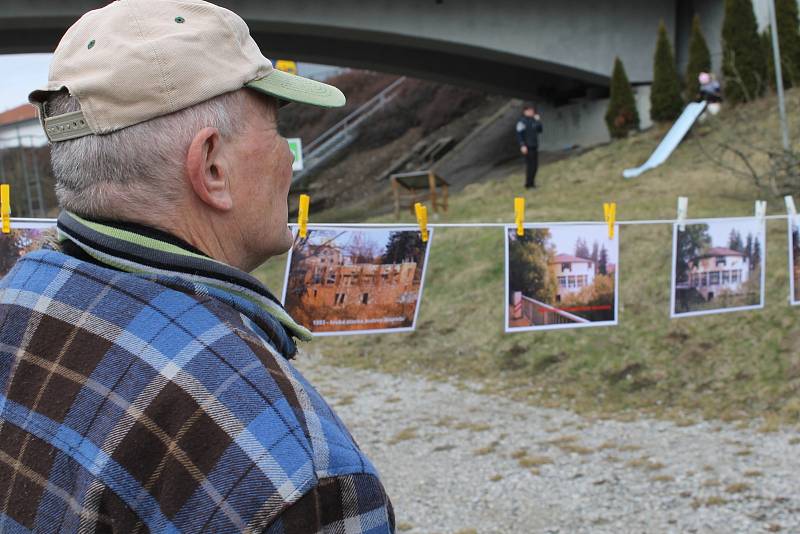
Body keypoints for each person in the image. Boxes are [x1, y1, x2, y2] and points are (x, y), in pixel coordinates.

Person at [0, 1, 394, 532]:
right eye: (275, 127)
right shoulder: (293, 467)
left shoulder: (17, 295)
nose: (288, 159)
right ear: (211, 166)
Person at [516, 103, 544, 188]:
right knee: (530, 165)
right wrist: (522, 145)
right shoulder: (522, 121)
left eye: (533, 110)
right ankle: (529, 184)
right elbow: (519, 134)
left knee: (535, 165)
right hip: (527, 146)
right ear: (525, 111)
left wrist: (538, 121)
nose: (532, 112)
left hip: (534, 145)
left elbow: (540, 130)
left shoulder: (534, 120)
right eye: (530, 110)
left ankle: (532, 183)